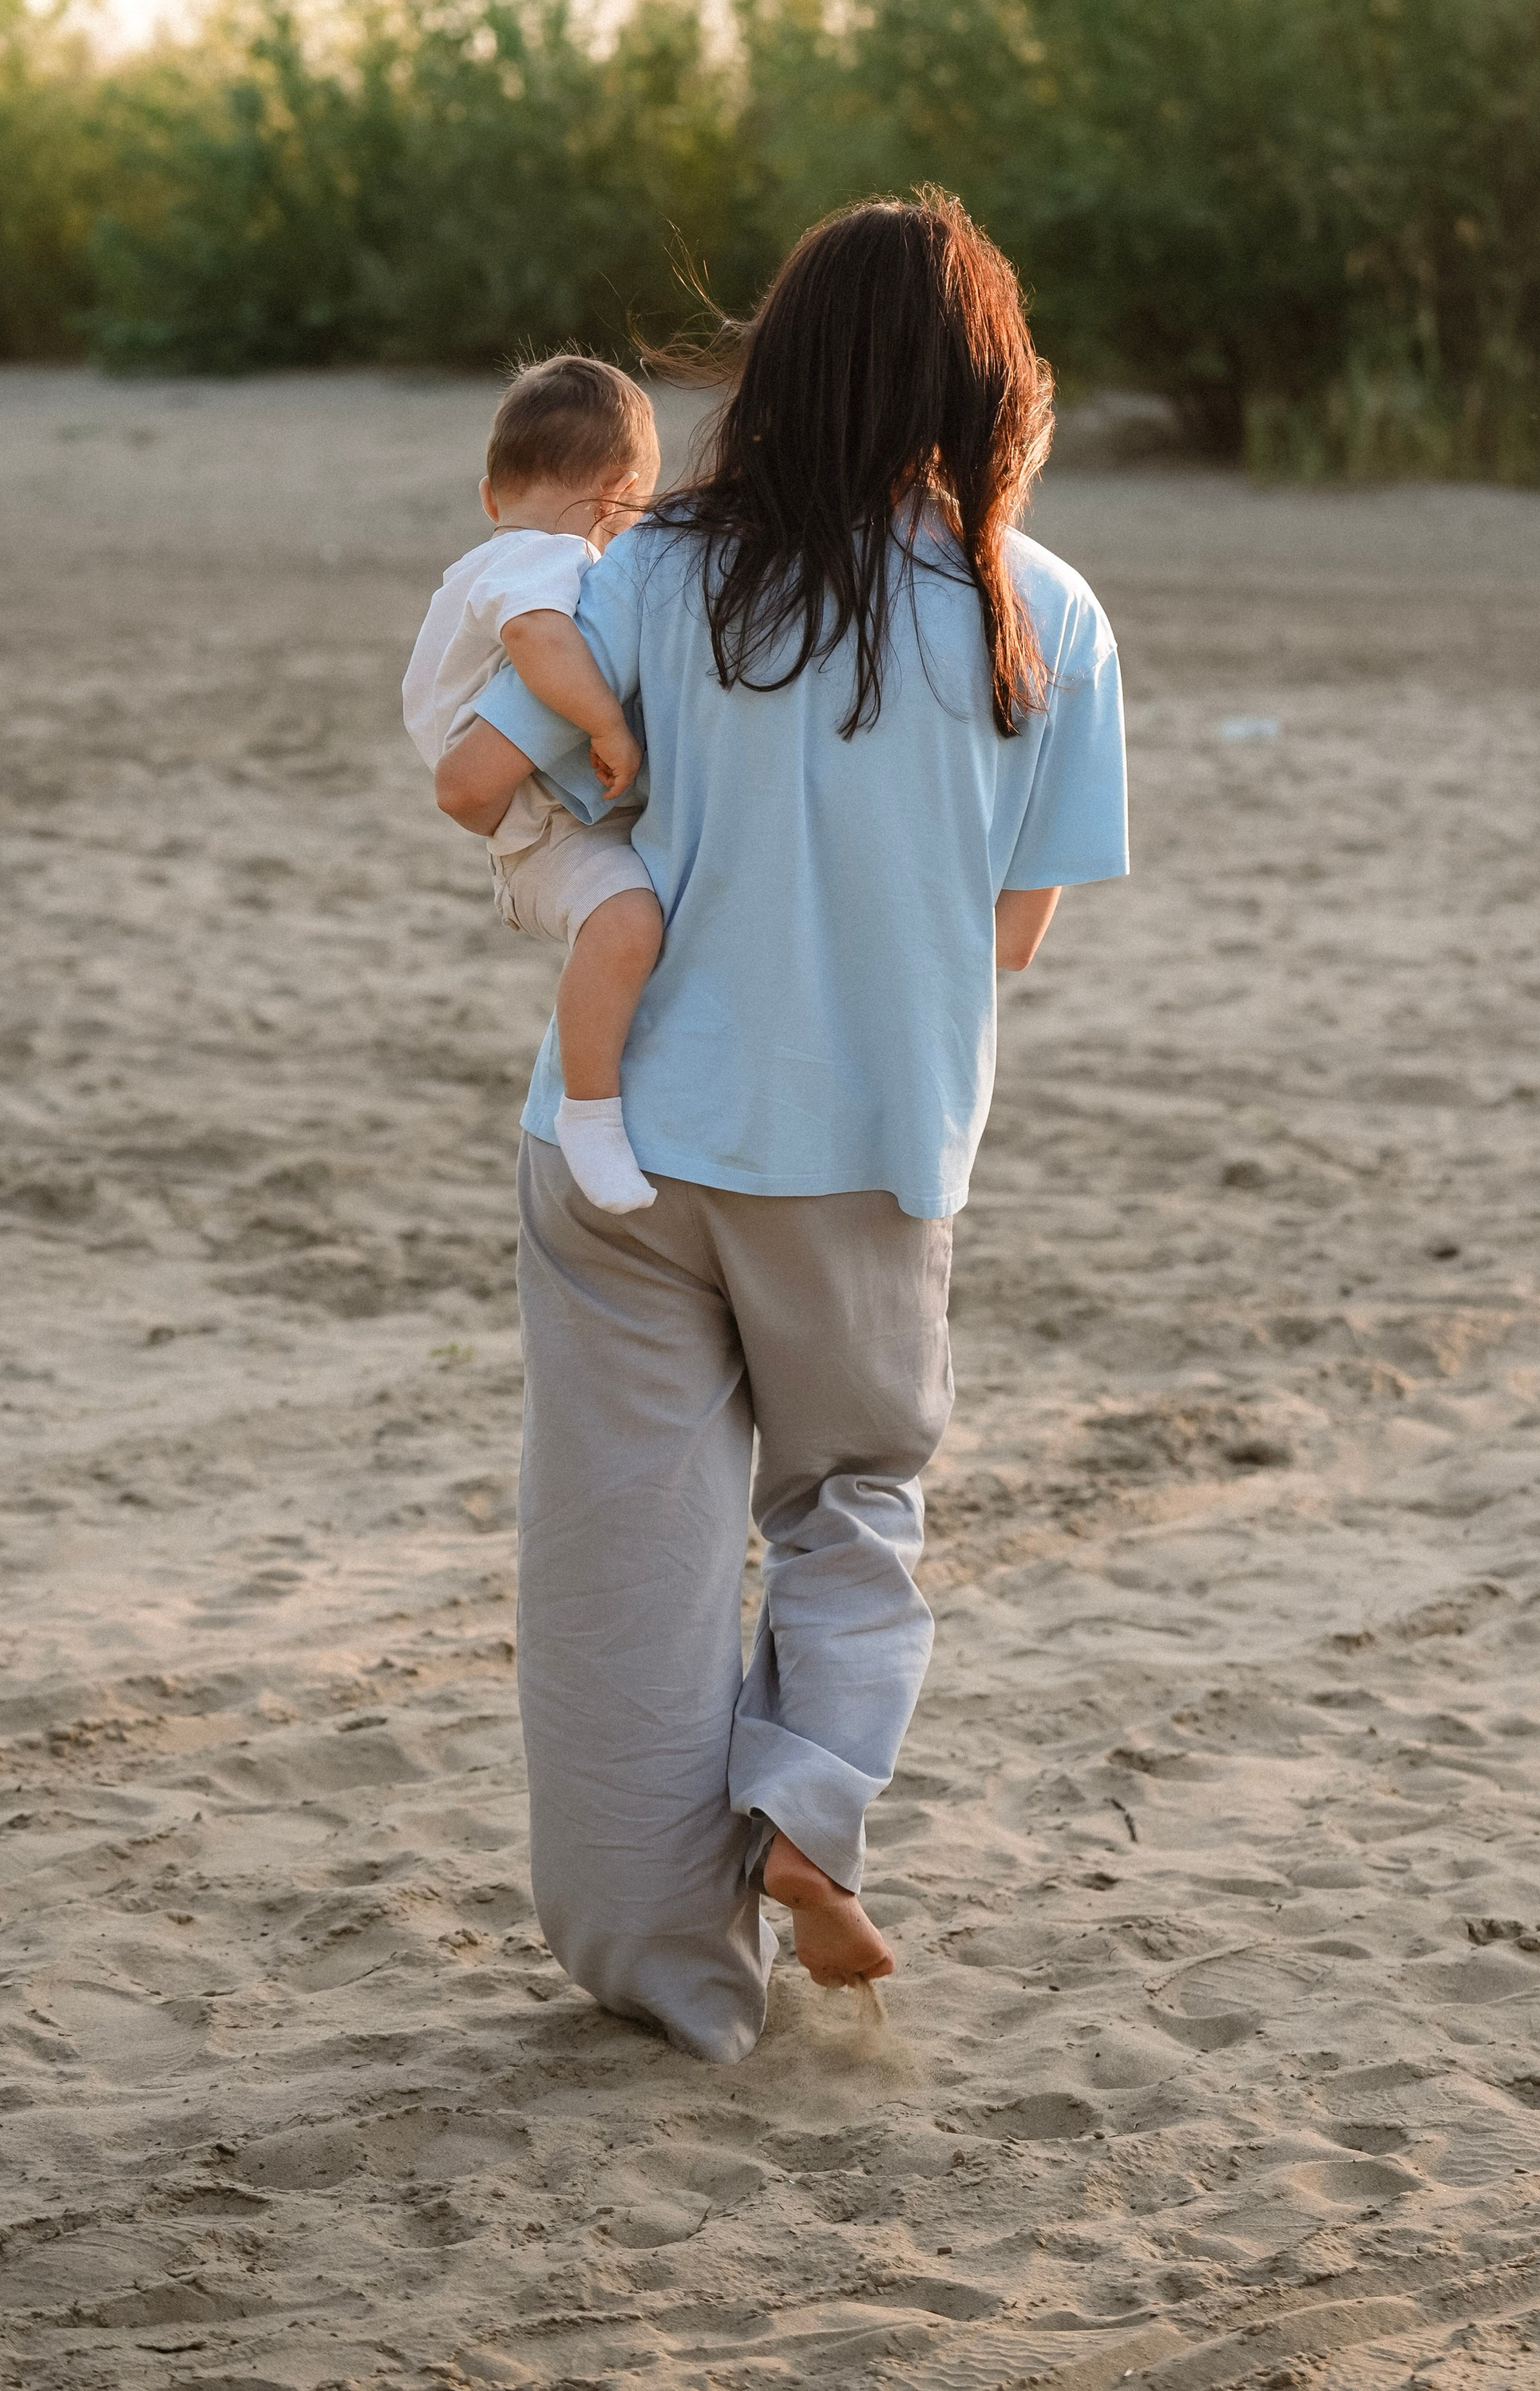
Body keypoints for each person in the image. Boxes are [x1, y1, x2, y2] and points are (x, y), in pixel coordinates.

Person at [434, 193, 1128, 2063]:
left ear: (775, 365)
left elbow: (486, 776)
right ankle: (809, 1802)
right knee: (848, 1499)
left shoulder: (642, 574)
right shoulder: (1038, 607)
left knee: (616, 1566)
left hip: (619, 1141)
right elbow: (1011, 927)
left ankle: (670, 1979)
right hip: (868, 1143)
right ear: (982, 388)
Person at [402, 353, 665, 1213]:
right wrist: (606, 723)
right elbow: (539, 643)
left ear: (489, 493)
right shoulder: (545, 561)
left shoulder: (493, 555)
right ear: (616, 496)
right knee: (626, 922)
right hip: (536, 825)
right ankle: (588, 1113)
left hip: (528, 813)